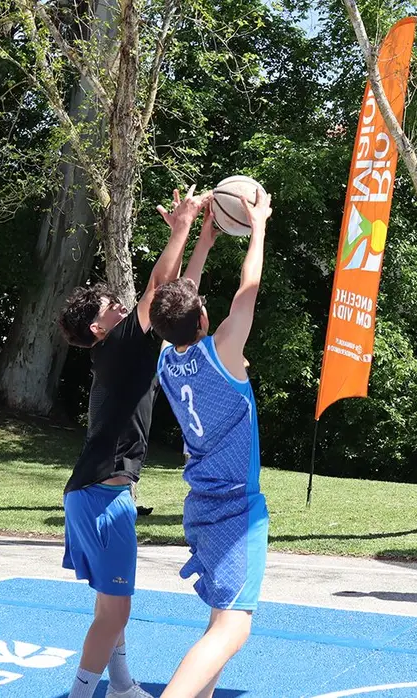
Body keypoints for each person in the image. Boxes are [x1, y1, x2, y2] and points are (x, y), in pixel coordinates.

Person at [54, 186, 211, 698]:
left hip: (94, 493)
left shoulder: (123, 347)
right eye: (110, 305)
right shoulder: (118, 344)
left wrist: (205, 237)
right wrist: (182, 228)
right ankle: (82, 694)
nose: (120, 305)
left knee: (109, 604)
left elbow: (174, 300)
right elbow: (155, 288)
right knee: (116, 608)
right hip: (102, 495)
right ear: (99, 325)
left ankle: (120, 685)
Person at [149, 190, 271, 698]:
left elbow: (172, 295)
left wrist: (202, 237)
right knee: (234, 627)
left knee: (221, 623)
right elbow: (249, 286)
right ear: (202, 319)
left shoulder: (164, 358)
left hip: (203, 504)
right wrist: (258, 224)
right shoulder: (223, 351)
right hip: (233, 508)